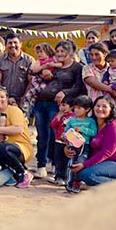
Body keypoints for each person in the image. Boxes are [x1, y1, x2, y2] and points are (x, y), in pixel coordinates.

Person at [31, 40, 84, 179]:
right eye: (58, 51)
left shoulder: (77, 67)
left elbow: (79, 87)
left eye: (63, 51)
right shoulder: (54, 66)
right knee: (41, 135)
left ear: (70, 52)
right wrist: (45, 70)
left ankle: (56, 166)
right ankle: (41, 165)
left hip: (59, 106)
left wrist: (65, 93)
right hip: (40, 103)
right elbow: (36, 73)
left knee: (56, 136)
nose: (59, 54)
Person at [67, 95, 116, 192]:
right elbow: (79, 140)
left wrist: (84, 164)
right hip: (100, 162)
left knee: (86, 174)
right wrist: (67, 148)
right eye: (97, 106)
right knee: (75, 170)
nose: (100, 109)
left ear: (111, 109)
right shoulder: (91, 124)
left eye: (104, 107)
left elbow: (107, 152)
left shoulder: (115, 126)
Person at [0, 86, 34, 188]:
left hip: (22, 147)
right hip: (8, 146)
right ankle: (13, 174)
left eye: (2, 97)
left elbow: (19, 129)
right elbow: (0, 139)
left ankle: (24, 173)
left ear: (7, 98)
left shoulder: (14, 110)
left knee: (2, 148)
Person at [0, 33, 34, 106]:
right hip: (4, 100)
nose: (13, 45)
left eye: (15, 42)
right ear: (6, 45)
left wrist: (23, 98)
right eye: (10, 43)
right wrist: (5, 97)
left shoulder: (29, 60)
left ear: (20, 44)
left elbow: (31, 82)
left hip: (24, 100)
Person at [20, 43, 61, 115]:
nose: (39, 54)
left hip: (49, 84)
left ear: (48, 51)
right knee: (31, 93)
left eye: (41, 52)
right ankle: (26, 107)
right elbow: (34, 70)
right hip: (39, 81)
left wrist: (52, 65)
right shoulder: (39, 61)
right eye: (37, 52)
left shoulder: (53, 59)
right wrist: (44, 66)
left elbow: (60, 64)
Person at [48, 96, 74, 185]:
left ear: (71, 107)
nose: (61, 107)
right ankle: (58, 177)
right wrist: (58, 116)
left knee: (67, 160)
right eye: (60, 105)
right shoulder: (60, 115)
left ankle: (66, 177)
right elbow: (52, 125)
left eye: (64, 105)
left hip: (69, 142)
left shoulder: (74, 117)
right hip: (58, 141)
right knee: (58, 160)